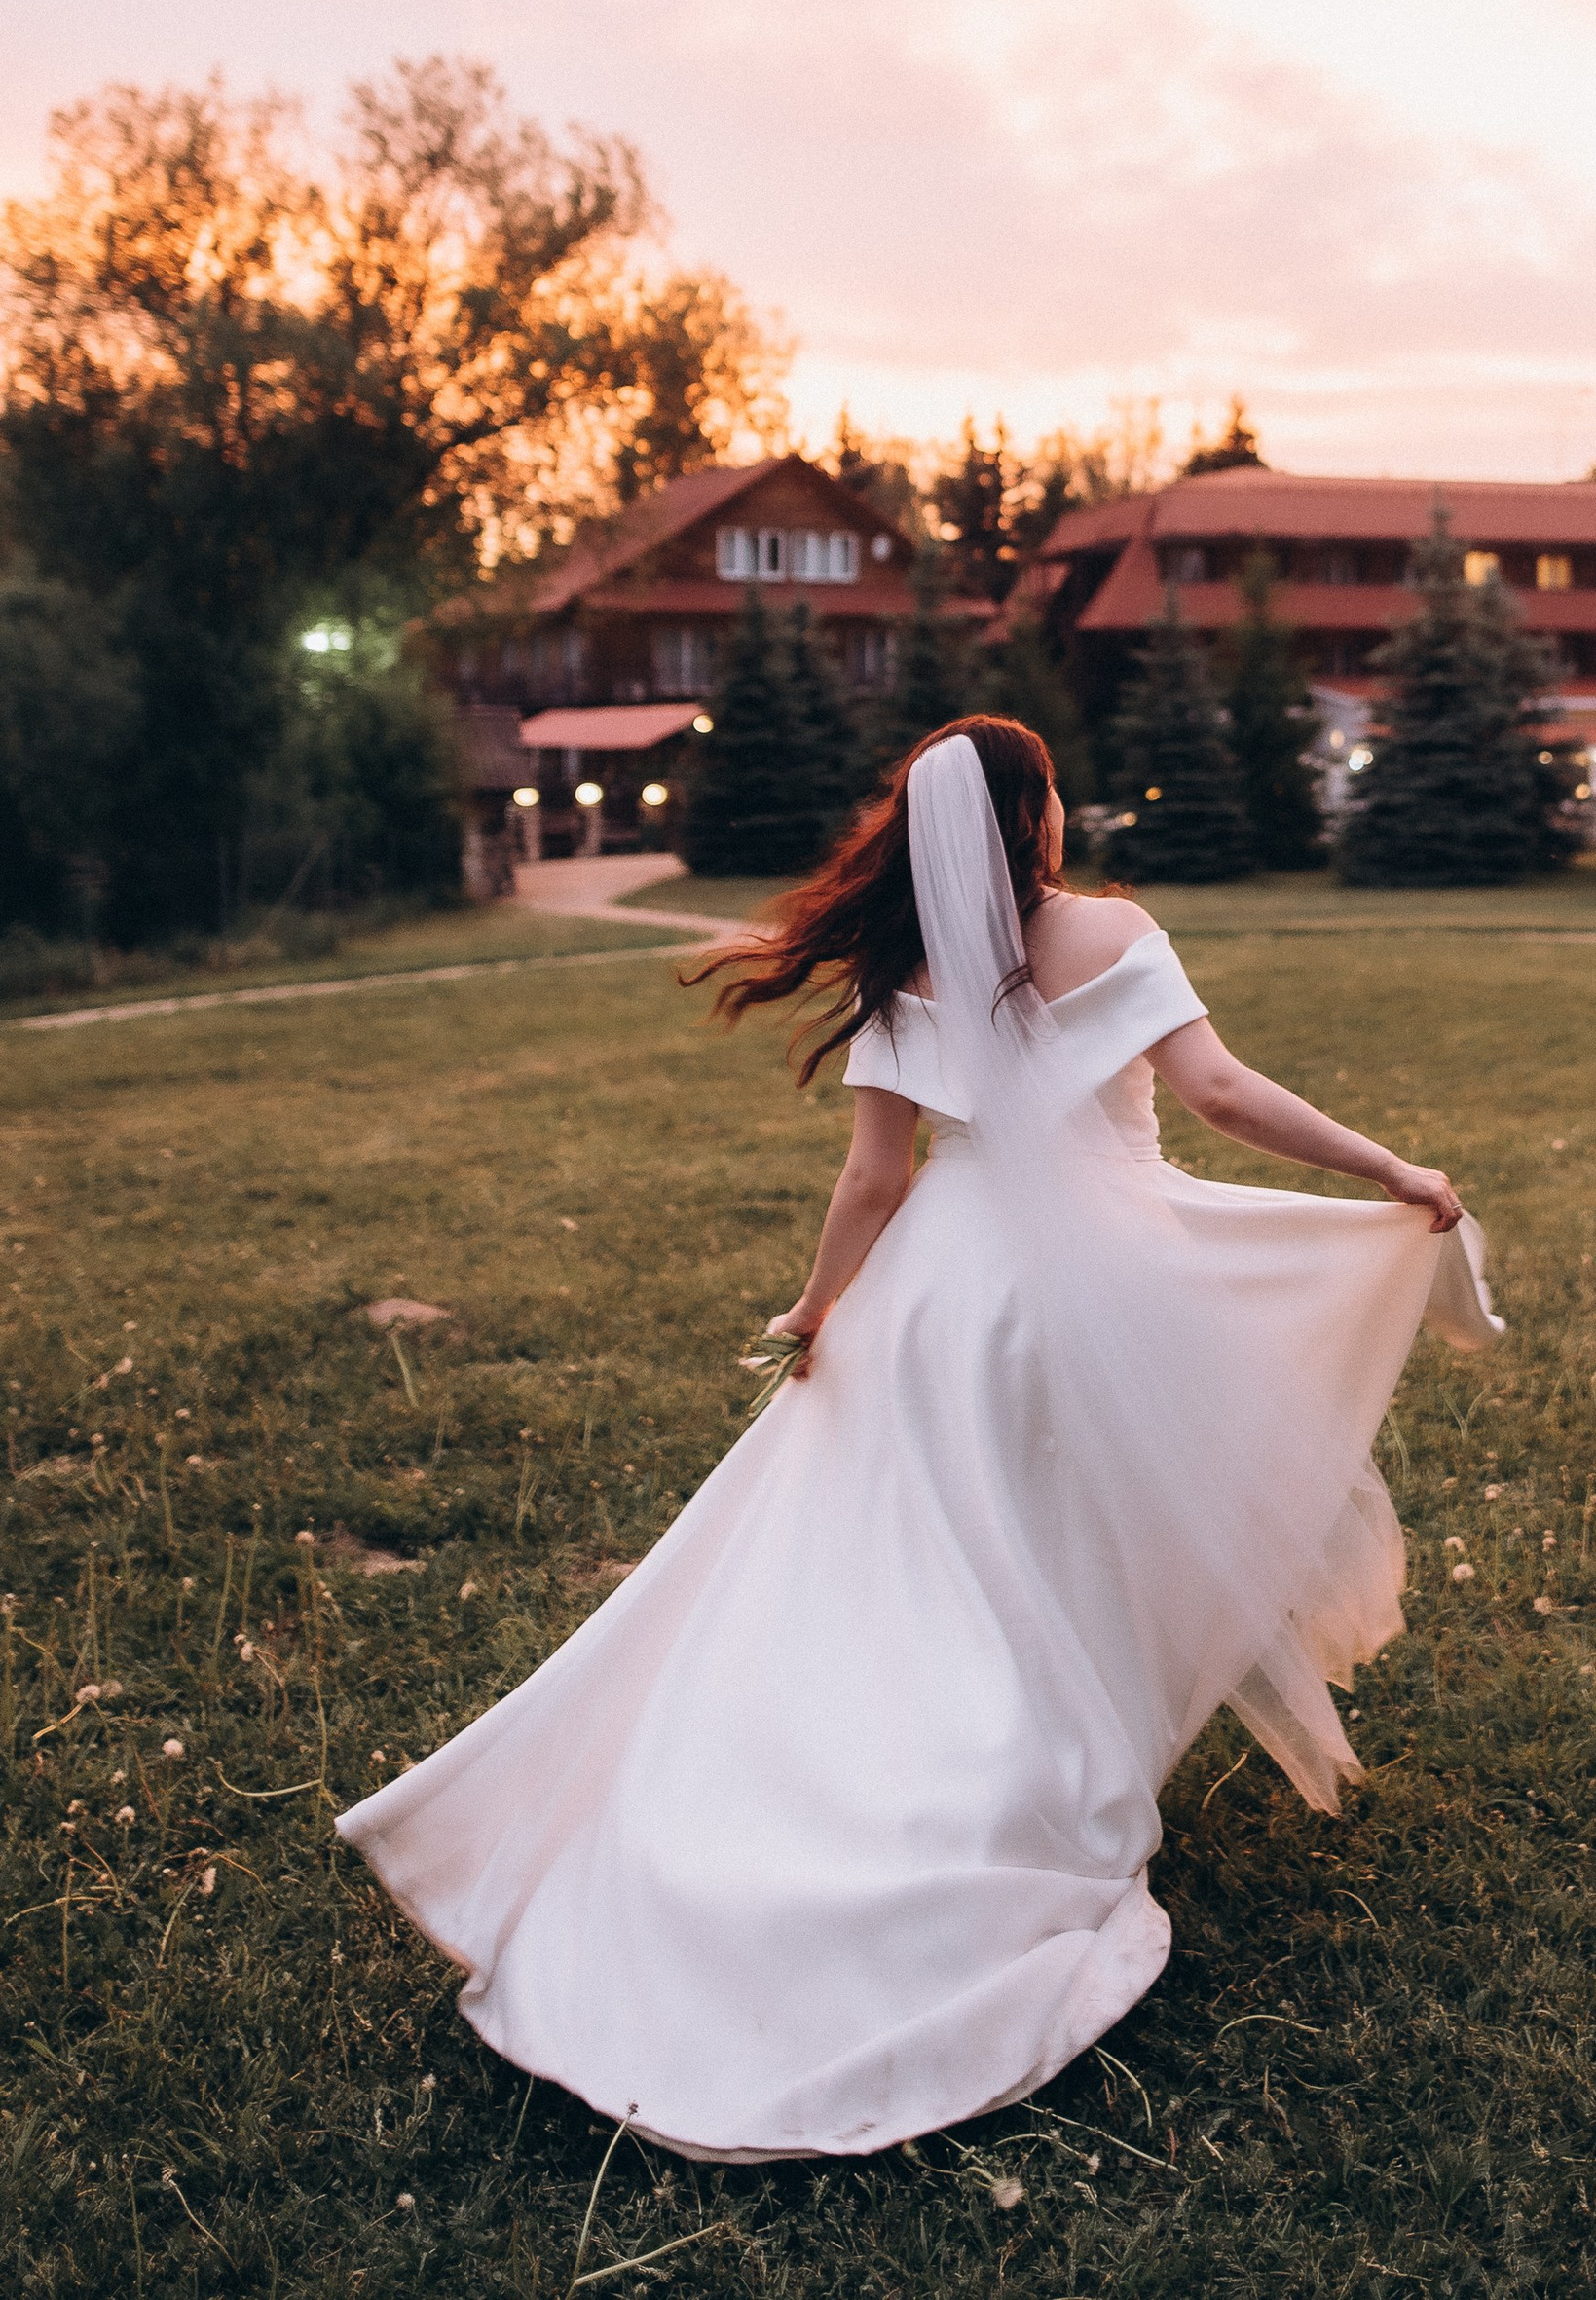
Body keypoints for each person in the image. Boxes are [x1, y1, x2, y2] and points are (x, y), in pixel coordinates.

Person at [336, 714, 1501, 2161]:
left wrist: (821, 1308)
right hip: (1106, 1281)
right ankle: (1015, 1783)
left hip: (944, 1301)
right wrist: (1391, 1169)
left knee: (927, 1551)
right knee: (1075, 1530)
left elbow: (876, 1179)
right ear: (1037, 818)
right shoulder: (1118, 932)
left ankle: (902, 1763)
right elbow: (1217, 1094)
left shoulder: (902, 974)